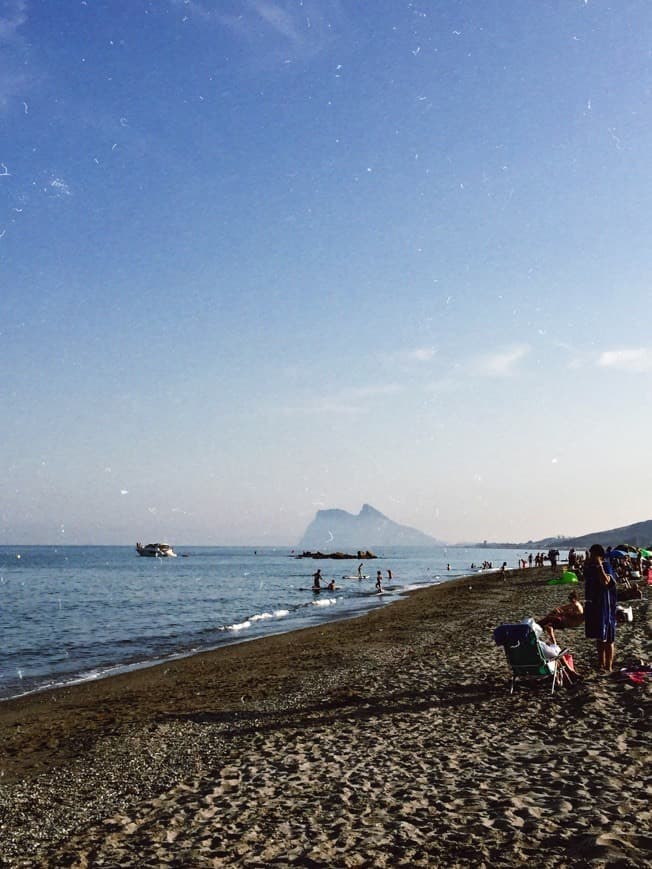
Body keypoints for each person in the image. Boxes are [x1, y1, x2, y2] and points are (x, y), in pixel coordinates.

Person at [584, 544, 617, 672]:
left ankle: (609, 666)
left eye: (593, 555)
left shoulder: (606, 566)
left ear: (599, 555)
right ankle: (600, 664)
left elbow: (606, 581)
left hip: (606, 606)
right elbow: (586, 578)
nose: (591, 557)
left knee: (608, 638)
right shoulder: (591, 568)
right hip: (595, 606)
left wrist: (600, 566)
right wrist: (587, 564)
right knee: (599, 637)